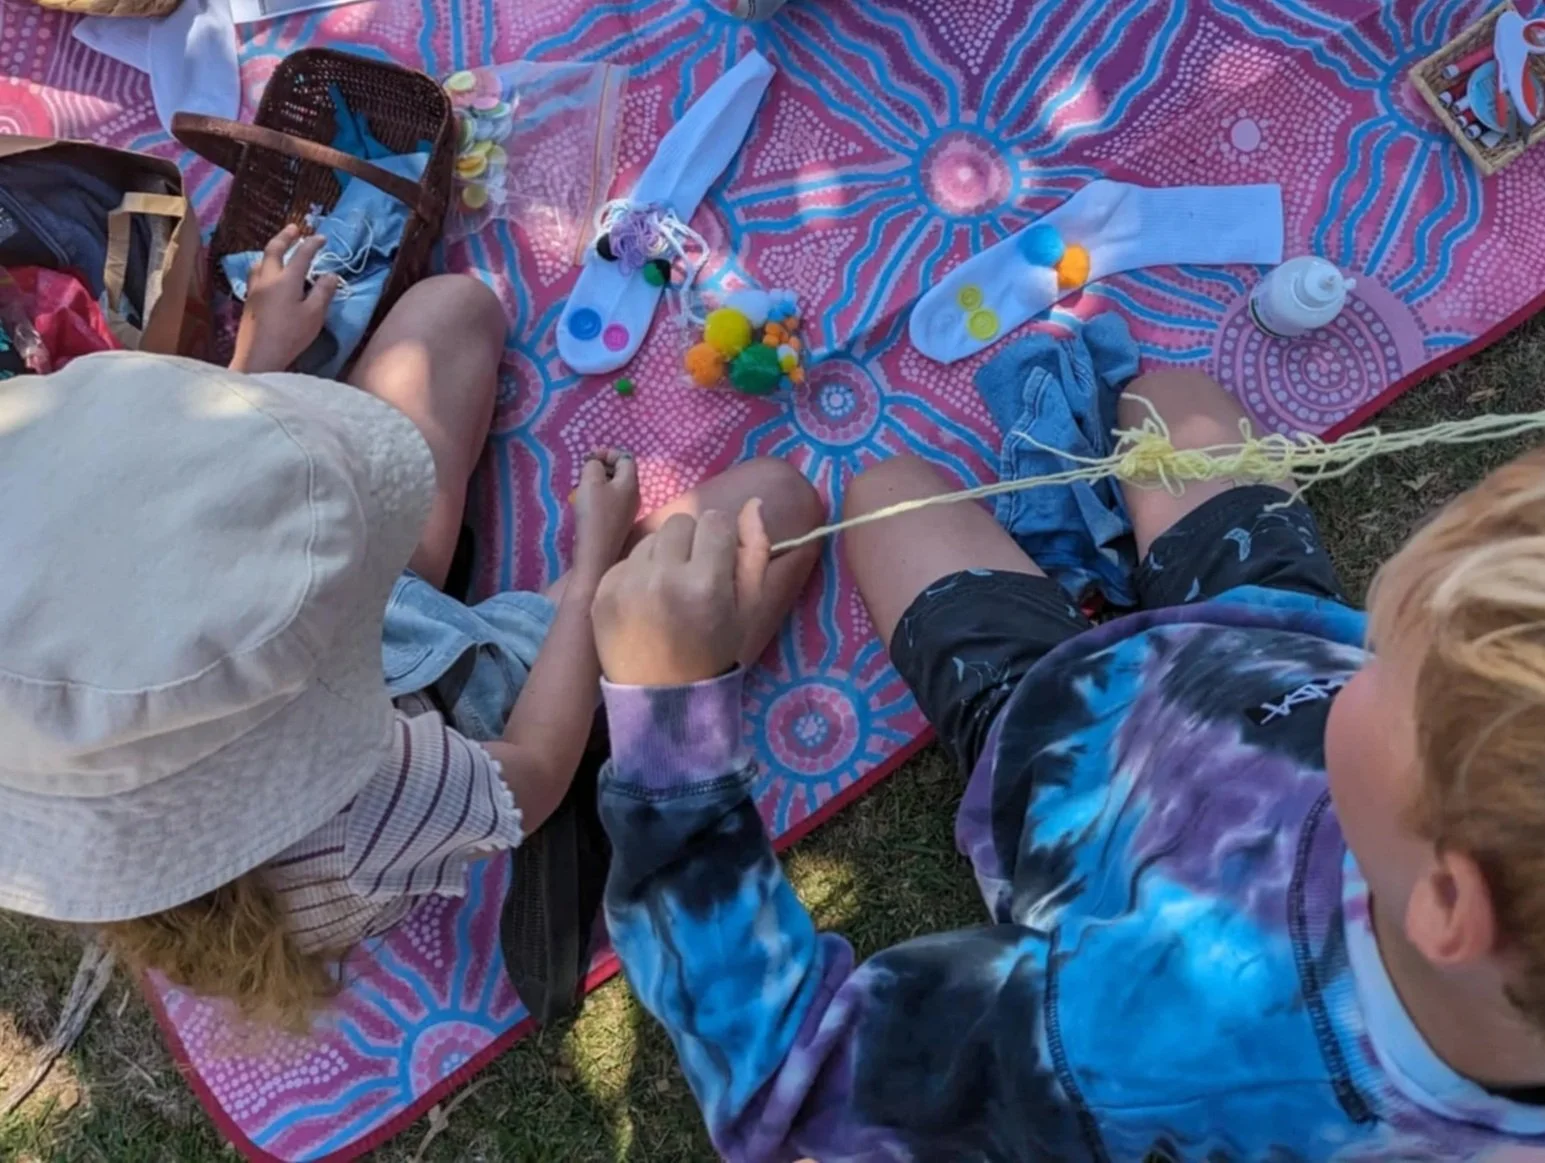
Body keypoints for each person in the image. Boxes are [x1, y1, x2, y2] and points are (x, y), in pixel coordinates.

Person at [592, 367, 1545, 1160]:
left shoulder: (1135, 1042)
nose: (1375, 648)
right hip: (1262, 626)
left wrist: (669, 727)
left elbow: (788, 1082)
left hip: (1060, 750)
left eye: (1397, 665)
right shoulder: (1464, 863)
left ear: (1451, 903)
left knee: (887, 495)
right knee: (1165, 399)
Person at [0, 225, 822, 1030]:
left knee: (451, 311)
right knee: (772, 510)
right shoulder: (358, 800)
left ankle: (450, 626)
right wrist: (594, 564)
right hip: (471, 723)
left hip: (349, 607)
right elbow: (529, 768)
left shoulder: (61, 736)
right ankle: (599, 774)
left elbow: (155, 507)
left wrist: (255, 365)